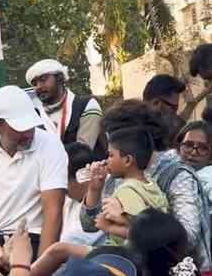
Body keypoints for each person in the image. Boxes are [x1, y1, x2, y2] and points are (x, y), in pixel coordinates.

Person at [80, 99, 211, 271]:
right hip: (126, 264)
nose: (110, 149)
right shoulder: (118, 174)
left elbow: (187, 237)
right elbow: (89, 226)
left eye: (116, 141)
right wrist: (94, 190)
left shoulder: (177, 175)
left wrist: (128, 220)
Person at [28, 127, 168, 276]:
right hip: (124, 254)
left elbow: (141, 233)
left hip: (123, 256)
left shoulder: (128, 191)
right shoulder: (150, 185)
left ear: (127, 160)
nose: (106, 160)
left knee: (58, 250)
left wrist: (112, 225)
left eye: (110, 155)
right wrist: (94, 189)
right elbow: (88, 225)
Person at [0, 85, 68, 263]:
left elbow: (53, 210)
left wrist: (40, 267)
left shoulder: (50, 145)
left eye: (31, 126)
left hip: (34, 237)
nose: (28, 134)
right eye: (20, 129)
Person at [25, 59, 105, 158]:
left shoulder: (87, 105)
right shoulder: (36, 115)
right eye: (34, 84)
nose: (39, 87)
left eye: (43, 79)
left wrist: (45, 155)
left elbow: (84, 151)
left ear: (60, 78)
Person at [60, 142, 104, 246]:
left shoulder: (104, 204)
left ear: (83, 176)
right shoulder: (67, 200)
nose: (61, 185)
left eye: (65, 180)